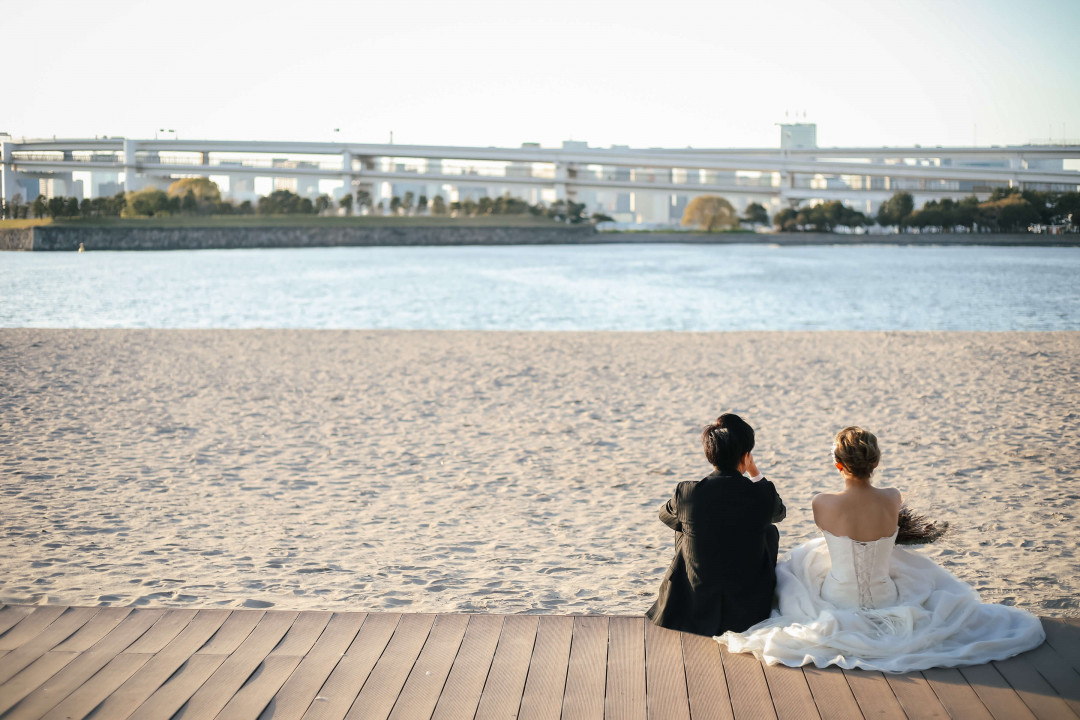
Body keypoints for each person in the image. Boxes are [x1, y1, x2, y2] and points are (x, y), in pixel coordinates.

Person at [716, 426, 1045, 672]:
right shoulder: (893, 497)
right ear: (874, 463)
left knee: (801, 562)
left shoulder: (822, 503)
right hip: (886, 596)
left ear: (838, 465)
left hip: (838, 598)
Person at [646, 413, 786, 636]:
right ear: (746, 455)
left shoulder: (688, 492)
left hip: (696, 601)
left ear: (709, 454)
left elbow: (665, 516)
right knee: (769, 529)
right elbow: (779, 513)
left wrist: (702, 523)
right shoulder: (762, 494)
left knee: (685, 526)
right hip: (749, 607)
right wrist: (755, 472)